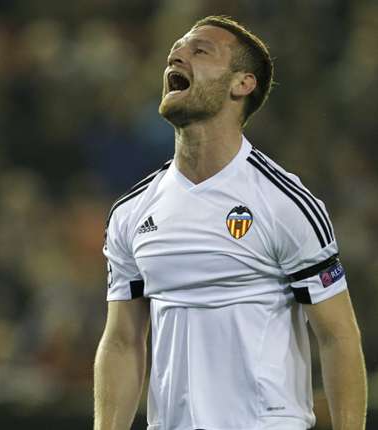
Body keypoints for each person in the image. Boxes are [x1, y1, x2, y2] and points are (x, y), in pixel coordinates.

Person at [93, 15, 366, 430]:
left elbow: (338, 336)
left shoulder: (285, 203)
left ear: (243, 83)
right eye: (177, 50)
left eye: (199, 50)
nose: (178, 54)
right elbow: (122, 340)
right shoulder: (131, 212)